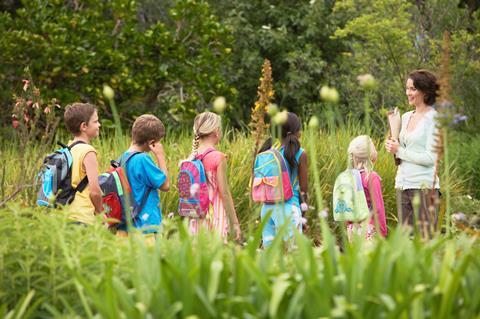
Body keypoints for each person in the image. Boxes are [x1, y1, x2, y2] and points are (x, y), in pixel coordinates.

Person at [385, 69, 440, 238]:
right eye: (407, 88)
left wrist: (399, 151)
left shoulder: (434, 119)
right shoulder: (406, 116)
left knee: (426, 242)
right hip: (402, 184)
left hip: (424, 188)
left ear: (425, 91)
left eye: (412, 89)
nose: (408, 93)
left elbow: (431, 158)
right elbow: (402, 150)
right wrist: (392, 144)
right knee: (405, 244)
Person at [187, 111, 242, 241]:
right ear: (216, 131)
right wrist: (235, 223)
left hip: (194, 217)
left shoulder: (191, 158)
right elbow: (225, 193)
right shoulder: (218, 157)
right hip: (214, 215)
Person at [258, 112, 308, 247]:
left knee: (271, 258)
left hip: (267, 209)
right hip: (288, 208)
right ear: (297, 132)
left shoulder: (270, 152)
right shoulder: (300, 153)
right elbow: (304, 190)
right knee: (292, 258)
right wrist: (303, 217)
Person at [119, 114, 169, 238]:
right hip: (145, 227)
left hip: (126, 226)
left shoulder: (122, 158)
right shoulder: (142, 159)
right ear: (152, 142)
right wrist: (160, 156)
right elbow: (165, 185)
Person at [64, 102, 102, 225]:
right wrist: (101, 214)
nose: (99, 125)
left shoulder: (69, 148)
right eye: (95, 122)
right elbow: (95, 191)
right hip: (82, 216)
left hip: (65, 214)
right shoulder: (88, 152)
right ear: (84, 126)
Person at [346, 135, 387, 240]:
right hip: (370, 229)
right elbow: (378, 208)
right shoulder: (372, 177)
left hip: (352, 229)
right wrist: (382, 231)